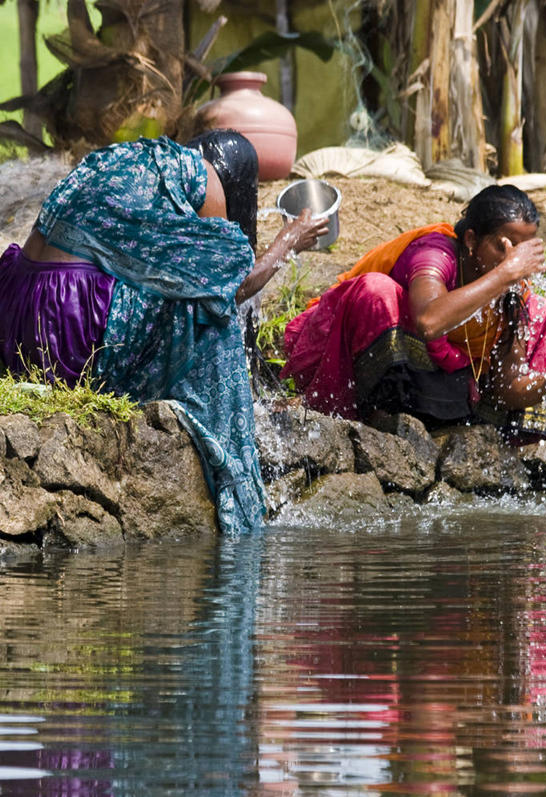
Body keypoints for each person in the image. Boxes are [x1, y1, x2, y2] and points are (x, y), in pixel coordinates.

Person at [0, 129, 328, 534]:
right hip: (69, 339)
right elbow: (231, 287)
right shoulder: (206, 179)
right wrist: (288, 240)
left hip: (17, 320)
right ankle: (233, 479)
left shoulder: (124, 158)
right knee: (211, 313)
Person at [281, 184, 546, 442]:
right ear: (471, 239)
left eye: (521, 250)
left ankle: (491, 443)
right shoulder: (436, 254)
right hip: (367, 358)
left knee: (545, 313)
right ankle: (367, 420)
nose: (512, 259)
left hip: (444, 384)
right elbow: (429, 321)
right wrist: (505, 274)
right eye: (502, 245)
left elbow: (506, 387)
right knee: (376, 292)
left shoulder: (511, 290)